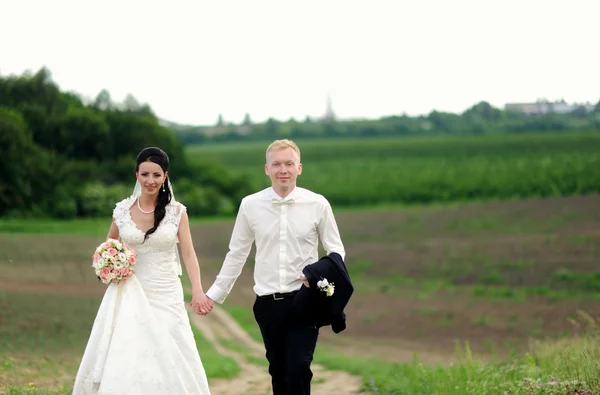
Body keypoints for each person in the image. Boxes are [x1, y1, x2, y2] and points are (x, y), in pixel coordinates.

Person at [199, 139, 346, 395]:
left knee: (299, 368)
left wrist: (317, 274)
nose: (283, 170)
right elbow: (237, 254)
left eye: (289, 163)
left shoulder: (318, 204)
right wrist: (214, 294)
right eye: (276, 164)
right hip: (268, 304)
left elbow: (336, 251)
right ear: (267, 169)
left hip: (305, 300)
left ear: (299, 167)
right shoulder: (250, 205)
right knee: (279, 373)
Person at [72, 147, 212, 395]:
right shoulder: (122, 211)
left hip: (166, 291)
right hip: (129, 290)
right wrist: (110, 266)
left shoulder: (177, 212)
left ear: (165, 176)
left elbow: (189, 254)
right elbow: (109, 246)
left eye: (156, 175)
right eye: (145, 174)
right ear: (136, 175)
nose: (151, 180)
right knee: (130, 351)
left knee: (171, 350)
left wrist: (198, 291)